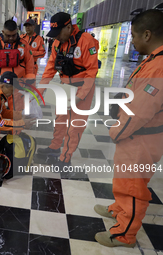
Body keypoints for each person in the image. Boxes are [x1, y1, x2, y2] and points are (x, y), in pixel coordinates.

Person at [94, 9, 163, 248]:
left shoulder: (159, 66)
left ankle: (125, 234)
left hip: (140, 137)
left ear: (147, 34)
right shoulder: (153, 60)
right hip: (135, 135)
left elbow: (141, 110)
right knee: (124, 180)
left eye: (133, 36)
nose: (131, 40)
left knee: (133, 187)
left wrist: (117, 131)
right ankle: (119, 210)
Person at [37, 12, 99, 169]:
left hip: (83, 88)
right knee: (60, 121)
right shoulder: (58, 44)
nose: (56, 37)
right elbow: (50, 67)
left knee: (75, 126)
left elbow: (92, 72)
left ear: (69, 27)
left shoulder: (86, 41)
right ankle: (54, 147)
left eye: (58, 33)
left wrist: (81, 95)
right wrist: (40, 89)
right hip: (65, 87)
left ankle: (66, 158)